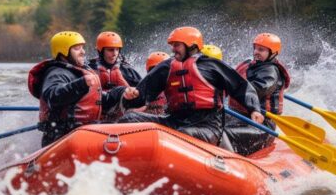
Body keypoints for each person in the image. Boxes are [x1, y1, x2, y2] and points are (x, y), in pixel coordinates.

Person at [120, 26, 263, 145]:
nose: (173, 49)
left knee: (182, 135)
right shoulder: (166, 68)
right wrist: (130, 96)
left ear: (192, 46)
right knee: (130, 119)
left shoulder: (212, 66)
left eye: (177, 45)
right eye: (172, 46)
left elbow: (240, 87)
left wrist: (254, 109)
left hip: (208, 126)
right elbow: (143, 93)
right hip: (174, 121)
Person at [28, 31, 139, 146]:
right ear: (63, 52)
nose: (83, 52)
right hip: (60, 136)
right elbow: (52, 96)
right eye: (77, 49)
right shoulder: (56, 73)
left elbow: (100, 99)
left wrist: (121, 92)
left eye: (82, 48)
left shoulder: (78, 71)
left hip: (84, 132)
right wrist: (81, 84)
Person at [225, 33, 291, 155]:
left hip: (261, 126)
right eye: (255, 48)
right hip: (239, 117)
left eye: (261, 50)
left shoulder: (270, 72)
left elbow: (257, 89)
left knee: (222, 133)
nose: (256, 52)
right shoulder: (252, 65)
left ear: (273, 53)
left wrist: (233, 86)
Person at [87, 31, 143, 121]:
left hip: (123, 117)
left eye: (117, 49)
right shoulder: (89, 69)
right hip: (96, 117)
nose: (114, 53)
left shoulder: (126, 70)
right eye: (110, 50)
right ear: (101, 51)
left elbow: (142, 90)